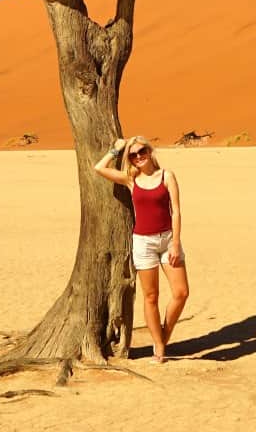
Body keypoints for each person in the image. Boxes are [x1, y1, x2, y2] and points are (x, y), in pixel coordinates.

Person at [93, 134, 190, 363]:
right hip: (143, 242)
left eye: (141, 152)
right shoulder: (131, 179)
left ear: (150, 151)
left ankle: (164, 334)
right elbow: (99, 167)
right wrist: (116, 150)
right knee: (151, 296)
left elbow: (175, 211)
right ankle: (159, 347)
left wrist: (175, 242)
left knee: (181, 292)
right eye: (133, 155)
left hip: (167, 240)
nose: (138, 157)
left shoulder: (167, 176)